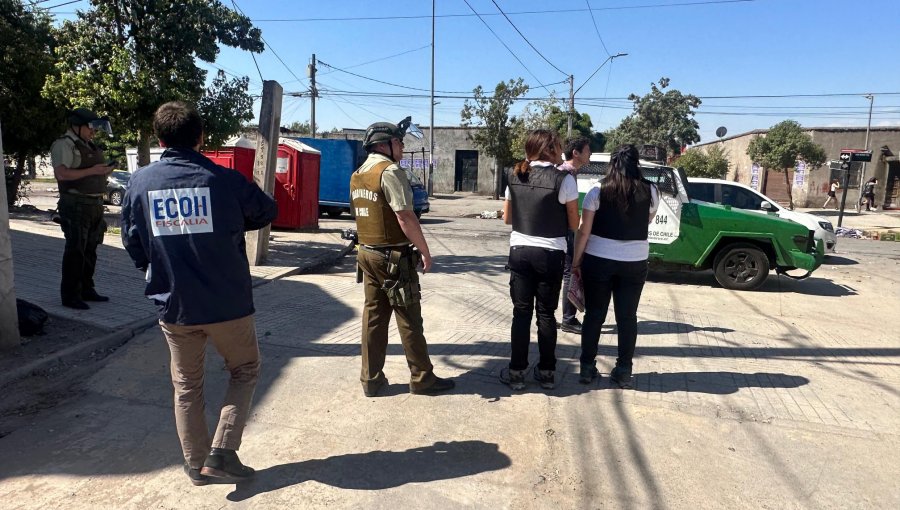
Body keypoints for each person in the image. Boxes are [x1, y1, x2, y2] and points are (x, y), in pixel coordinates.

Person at [121, 101, 277, 486]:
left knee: (187, 386)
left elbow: (132, 241)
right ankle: (222, 452)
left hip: (176, 305)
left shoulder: (139, 183)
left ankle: (195, 464)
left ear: (159, 139)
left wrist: (156, 270)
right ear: (201, 137)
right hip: (228, 304)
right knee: (245, 370)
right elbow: (265, 210)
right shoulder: (224, 179)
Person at [350, 117, 455, 397]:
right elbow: (405, 216)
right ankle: (422, 378)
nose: (402, 146)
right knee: (408, 316)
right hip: (392, 258)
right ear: (386, 145)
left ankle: (371, 380)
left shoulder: (358, 173)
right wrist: (424, 250)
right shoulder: (391, 171)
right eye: (400, 142)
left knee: (374, 318)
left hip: (367, 254)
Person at [573, 144, 659, 389]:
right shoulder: (652, 191)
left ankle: (587, 368)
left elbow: (584, 231)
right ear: (636, 164)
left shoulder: (597, 190)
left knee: (594, 315)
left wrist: (577, 261)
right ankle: (623, 370)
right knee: (627, 317)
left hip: (598, 260)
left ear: (612, 163)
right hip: (634, 261)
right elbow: (647, 221)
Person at [500, 129, 579, 391]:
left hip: (520, 251)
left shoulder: (514, 174)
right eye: (558, 146)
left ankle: (516, 372)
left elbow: (507, 219)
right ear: (550, 148)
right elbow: (573, 222)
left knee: (520, 314)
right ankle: (546, 372)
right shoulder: (564, 179)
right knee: (546, 314)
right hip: (551, 254)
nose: (561, 150)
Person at [50, 108, 115, 309]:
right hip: (76, 205)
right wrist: (93, 171)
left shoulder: (88, 144)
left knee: (90, 251)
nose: (93, 132)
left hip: (94, 205)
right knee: (75, 251)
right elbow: (62, 174)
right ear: (77, 126)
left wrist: (103, 172)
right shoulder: (64, 144)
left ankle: (87, 289)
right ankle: (70, 296)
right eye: (90, 127)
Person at [557, 136, 591, 334]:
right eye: (587, 150)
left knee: (567, 273)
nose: (590, 154)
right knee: (570, 272)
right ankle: (568, 318)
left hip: (561, 231)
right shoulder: (566, 173)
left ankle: (565, 317)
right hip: (565, 232)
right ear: (576, 153)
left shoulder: (567, 172)